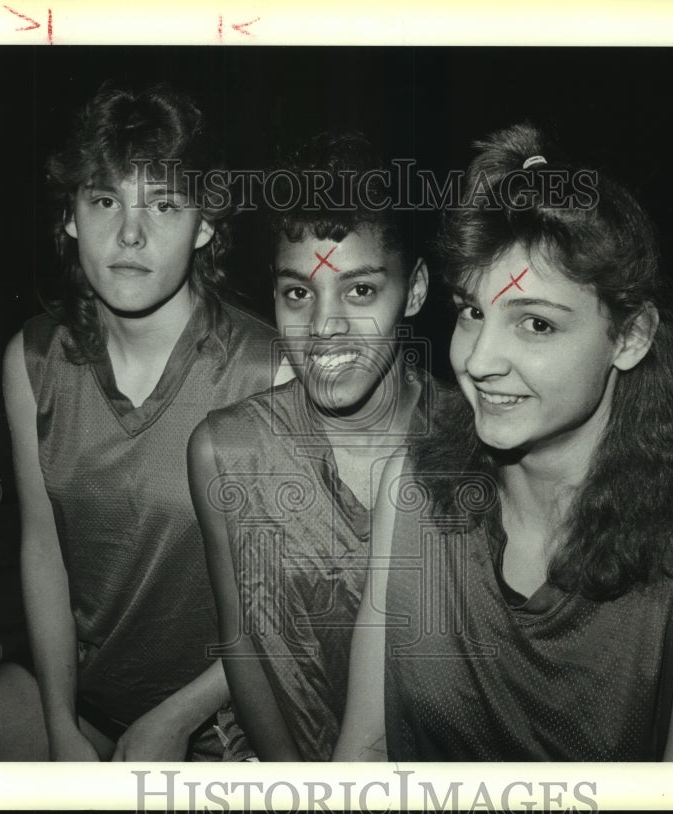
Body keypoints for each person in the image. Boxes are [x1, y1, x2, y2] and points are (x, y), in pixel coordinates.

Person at [334, 123, 673, 762]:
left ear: (631, 338)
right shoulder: (412, 493)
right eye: (472, 311)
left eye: (535, 324)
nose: (480, 359)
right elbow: (366, 748)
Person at [0, 82, 279, 761]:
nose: (131, 234)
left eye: (164, 204)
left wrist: (178, 718)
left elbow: (288, 602)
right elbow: (43, 553)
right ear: (71, 216)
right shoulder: (33, 359)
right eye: (105, 200)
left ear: (205, 223)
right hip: (84, 694)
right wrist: (60, 724)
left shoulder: (267, 371)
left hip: (222, 714)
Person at [188, 133, 436, 760]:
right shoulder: (227, 451)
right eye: (298, 293)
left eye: (359, 291)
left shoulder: (468, 446)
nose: (324, 328)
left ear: (414, 290)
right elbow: (242, 640)